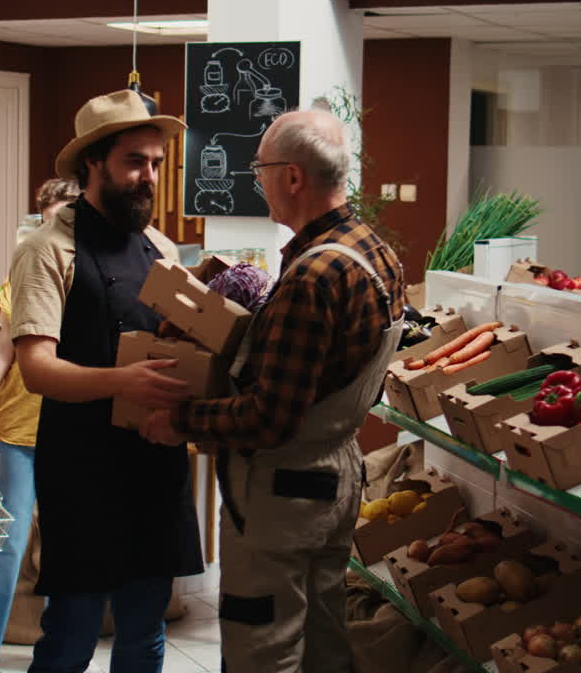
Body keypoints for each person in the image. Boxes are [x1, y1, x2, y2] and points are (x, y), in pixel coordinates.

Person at [140, 109, 405, 673]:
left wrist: (179, 421)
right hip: (337, 477)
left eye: (259, 170)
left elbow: (269, 417)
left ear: (293, 177)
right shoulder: (374, 251)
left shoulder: (311, 278)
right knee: (323, 640)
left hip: (283, 494)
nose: (257, 181)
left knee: (264, 646)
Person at [9, 89, 205, 673]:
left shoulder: (160, 248)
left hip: (155, 460)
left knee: (145, 633)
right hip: (82, 468)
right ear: (93, 162)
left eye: (156, 164)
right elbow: (37, 369)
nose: (149, 177)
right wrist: (124, 382)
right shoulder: (48, 250)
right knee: (70, 634)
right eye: (134, 162)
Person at [0, 178, 79, 671]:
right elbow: (0, 352)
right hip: (15, 431)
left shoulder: (95, 280)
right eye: (46, 221)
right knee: (5, 541)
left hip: (74, 433)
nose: (53, 233)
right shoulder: (23, 278)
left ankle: (59, 646)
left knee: (66, 543)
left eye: (64, 220)